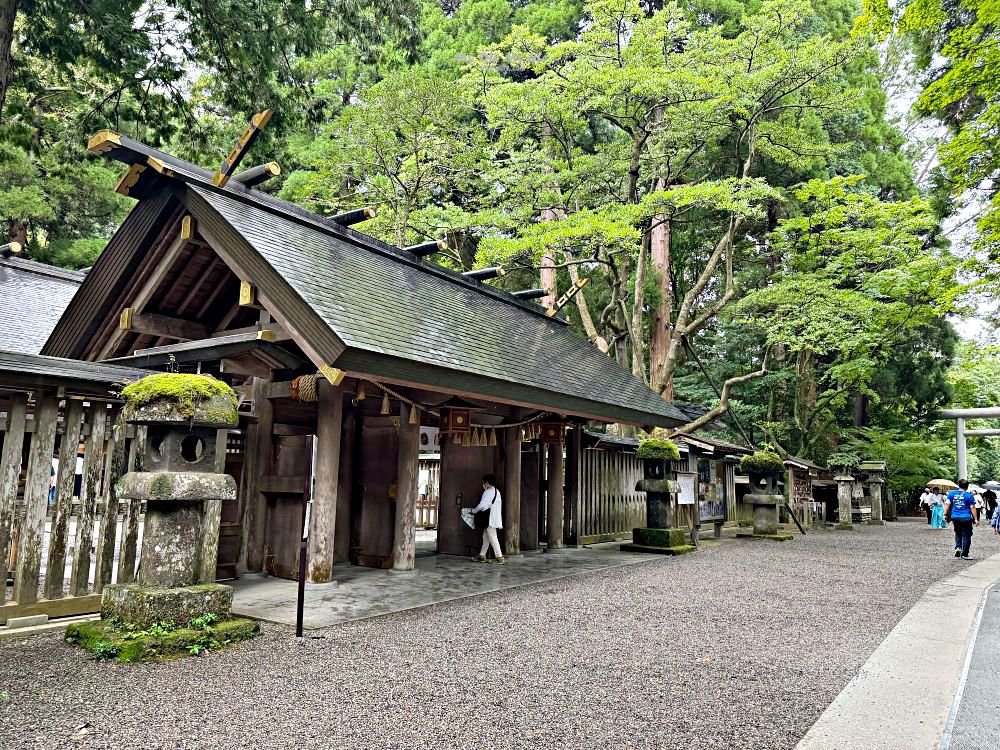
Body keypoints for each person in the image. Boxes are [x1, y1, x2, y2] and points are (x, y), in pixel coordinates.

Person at [470, 474, 505, 565]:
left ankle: (499, 557)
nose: (483, 484)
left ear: (487, 483)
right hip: (494, 518)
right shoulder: (497, 491)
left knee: (492, 537)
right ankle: (482, 555)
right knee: (486, 537)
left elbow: (482, 505)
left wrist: (474, 511)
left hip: (489, 518)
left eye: (484, 482)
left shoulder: (488, 492)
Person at [945, 479, 978, 559]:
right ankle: (965, 554)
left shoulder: (951, 493)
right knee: (966, 535)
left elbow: (947, 504)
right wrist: (976, 519)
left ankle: (958, 548)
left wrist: (945, 514)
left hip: (955, 517)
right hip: (966, 517)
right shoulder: (969, 495)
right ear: (967, 486)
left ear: (958, 485)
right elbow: (972, 507)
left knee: (958, 532)